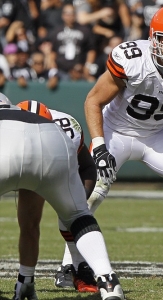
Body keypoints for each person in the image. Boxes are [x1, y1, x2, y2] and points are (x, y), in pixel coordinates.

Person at [84, 4, 163, 215]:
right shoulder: (133, 60)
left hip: (155, 136)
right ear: (153, 37)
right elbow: (93, 101)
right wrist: (99, 147)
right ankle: (71, 249)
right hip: (115, 131)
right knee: (92, 193)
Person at [0, 95, 125, 300]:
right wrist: (75, 204)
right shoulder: (64, 123)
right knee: (79, 217)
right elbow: (87, 166)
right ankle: (108, 281)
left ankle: (26, 280)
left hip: (7, 141)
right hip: (53, 139)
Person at [15, 100, 99, 294]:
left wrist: (80, 201)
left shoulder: (67, 130)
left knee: (73, 213)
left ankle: (84, 270)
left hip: (51, 167)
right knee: (28, 223)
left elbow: (87, 167)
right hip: (12, 162)